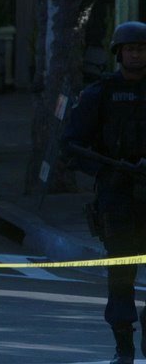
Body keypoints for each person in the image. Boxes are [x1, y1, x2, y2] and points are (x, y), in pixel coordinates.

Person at [63, 20, 146, 364]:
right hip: (118, 197)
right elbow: (71, 145)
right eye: (131, 49)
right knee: (121, 277)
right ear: (119, 53)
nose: (136, 55)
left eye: (142, 49)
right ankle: (123, 346)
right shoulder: (101, 94)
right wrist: (107, 170)